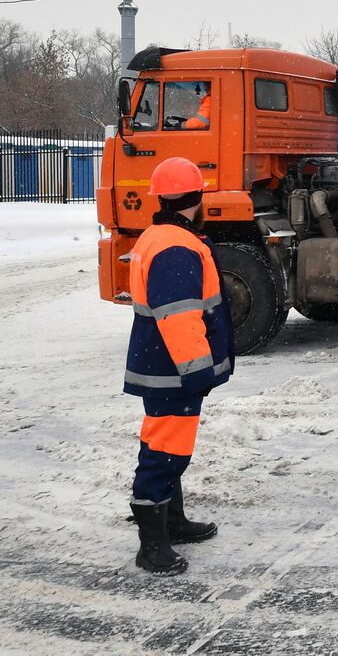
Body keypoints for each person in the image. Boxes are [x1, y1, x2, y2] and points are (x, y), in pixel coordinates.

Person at [123, 156, 234, 576]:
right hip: (173, 371)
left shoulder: (157, 235)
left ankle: (173, 523)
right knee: (164, 450)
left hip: (163, 366)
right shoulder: (176, 246)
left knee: (170, 446)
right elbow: (179, 315)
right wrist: (198, 371)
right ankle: (152, 547)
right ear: (196, 197)